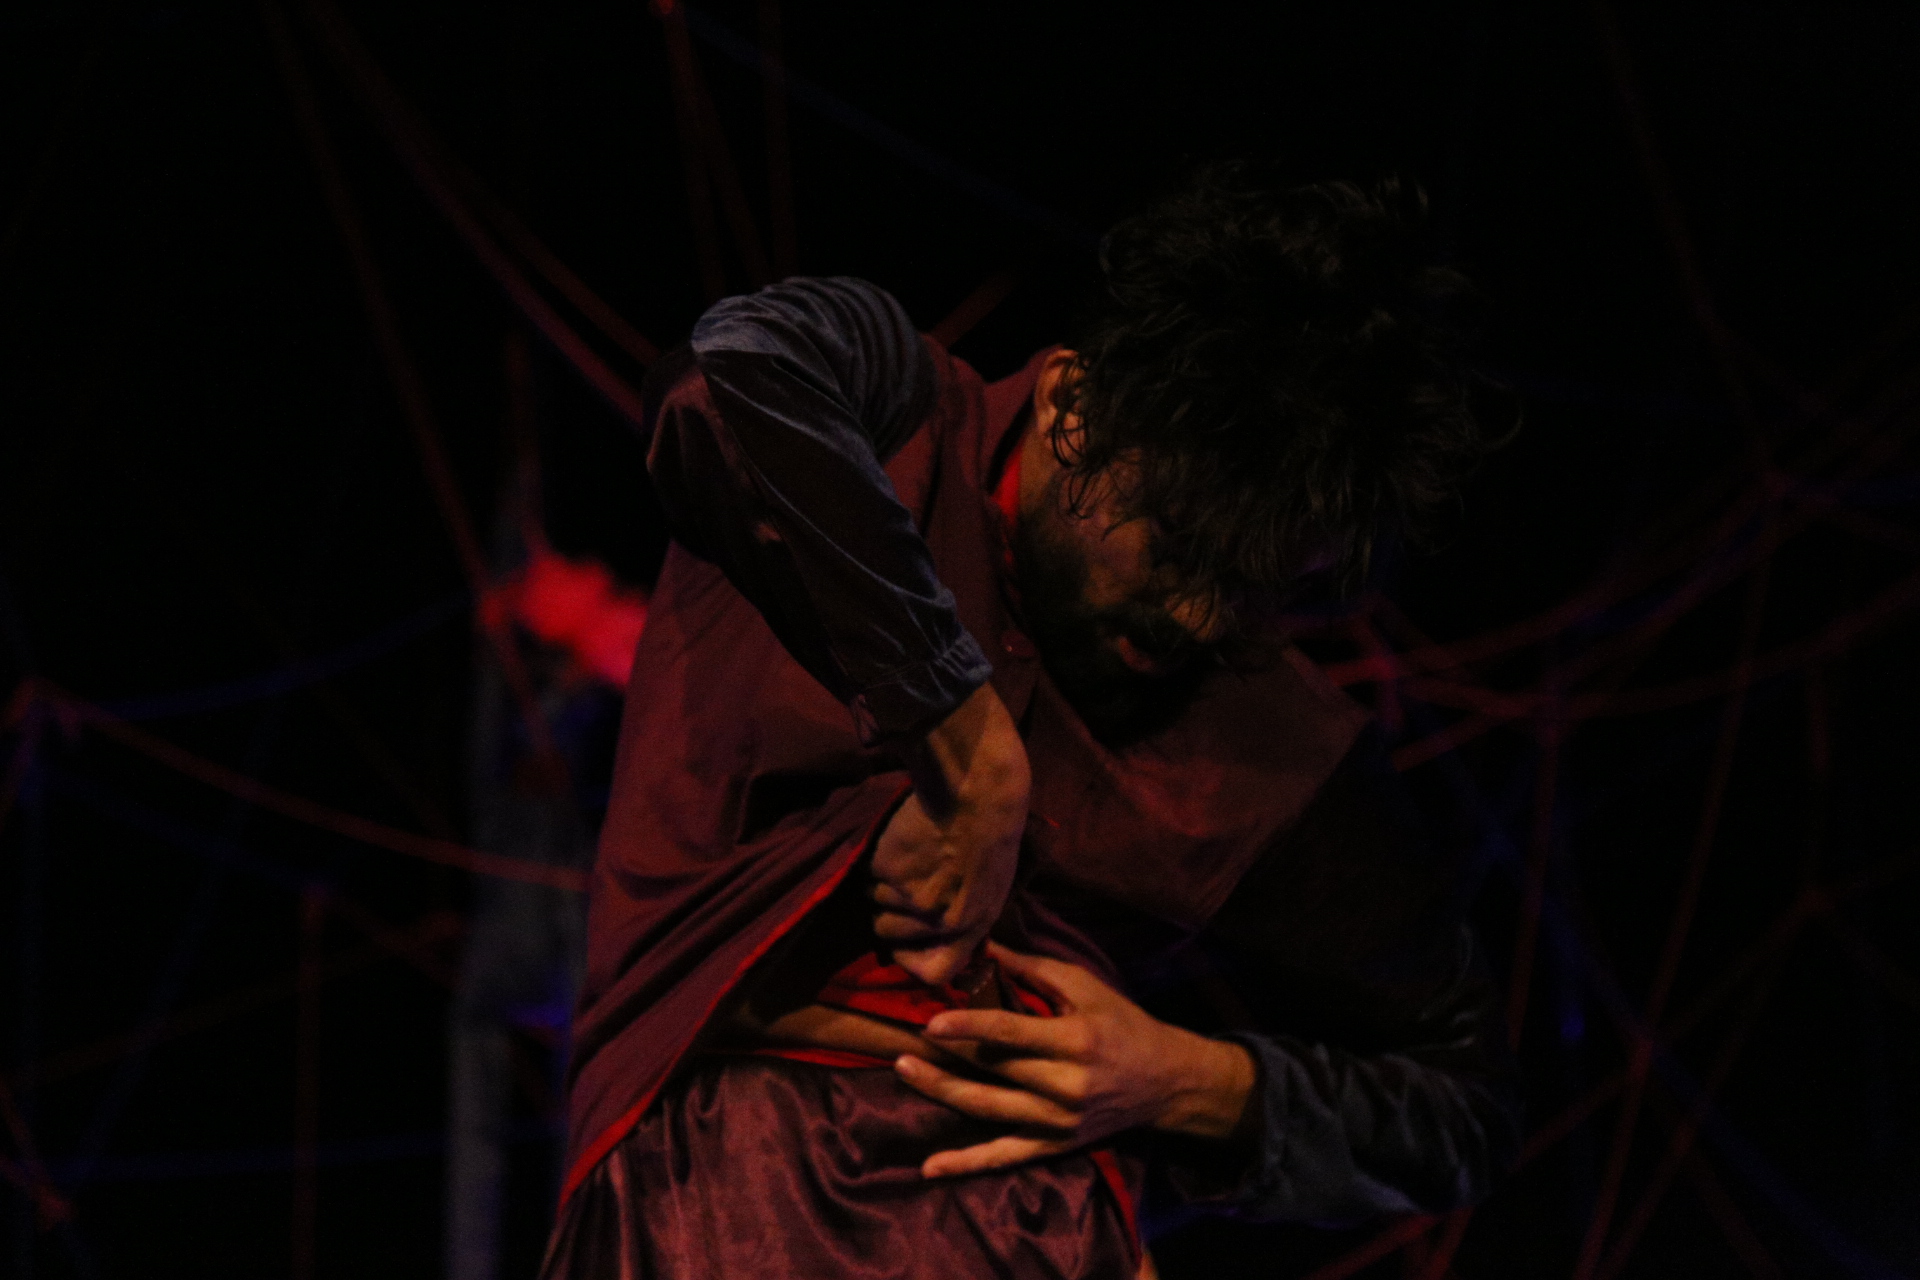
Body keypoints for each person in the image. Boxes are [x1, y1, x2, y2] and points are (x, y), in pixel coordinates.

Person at [541, 165, 1520, 1278]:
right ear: (1070, 406)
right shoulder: (886, 418)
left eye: (1255, 588)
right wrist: (963, 738)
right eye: (1177, 543)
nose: (1198, 617)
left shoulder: (1268, 734)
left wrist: (1190, 1079)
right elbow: (730, 375)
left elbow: (1465, 1105)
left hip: (1043, 1236)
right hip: (724, 1200)